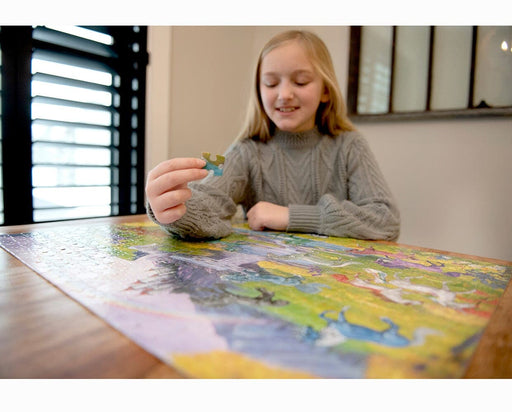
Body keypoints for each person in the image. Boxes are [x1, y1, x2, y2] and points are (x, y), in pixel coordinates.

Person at [145, 30, 400, 241]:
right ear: (259, 91)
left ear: (325, 91)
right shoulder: (245, 151)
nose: (284, 94)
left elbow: (386, 220)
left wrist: (291, 216)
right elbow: (210, 202)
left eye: (300, 82)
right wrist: (176, 210)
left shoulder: (350, 146)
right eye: (270, 83)